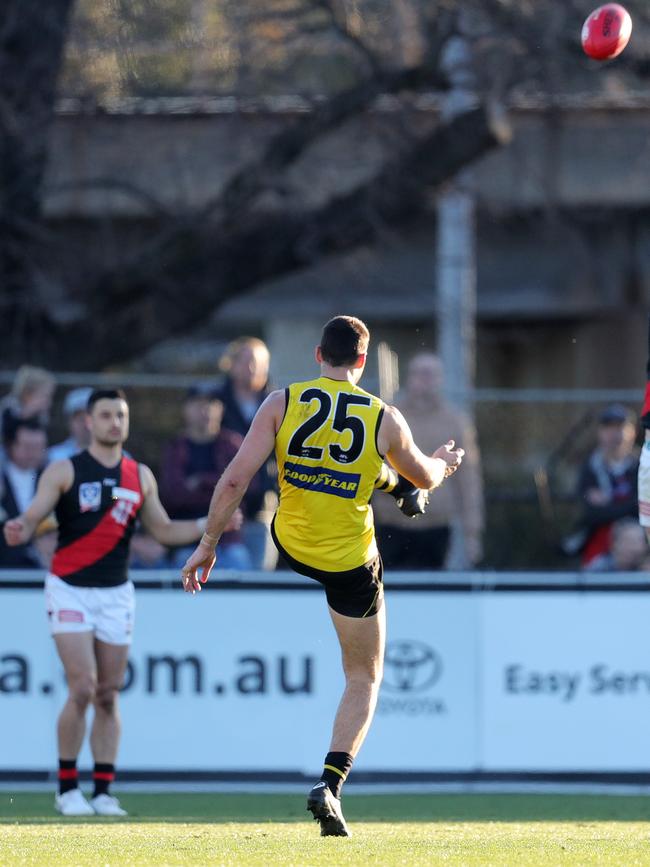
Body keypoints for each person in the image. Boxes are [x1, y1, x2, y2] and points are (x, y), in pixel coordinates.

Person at [180, 316, 464, 837]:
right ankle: (330, 785)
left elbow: (237, 478)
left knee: (353, 473)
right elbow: (429, 476)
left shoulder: (281, 402)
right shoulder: (384, 416)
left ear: (317, 355)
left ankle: (385, 478)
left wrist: (207, 543)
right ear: (362, 362)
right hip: (348, 563)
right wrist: (443, 463)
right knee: (364, 676)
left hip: (290, 542)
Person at [2, 389, 218, 817]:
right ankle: (67, 789)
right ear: (88, 421)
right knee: (81, 687)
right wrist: (21, 526)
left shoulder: (140, 475)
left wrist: (208, 525)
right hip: (69, 588)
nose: (114, 422)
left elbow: (162, 531)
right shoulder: (64, 470)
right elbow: (36, 513)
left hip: (116, 593)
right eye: (105, 415)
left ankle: (102, 790)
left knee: (107, 693)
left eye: (121, 414)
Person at [373, 353, 484, 570]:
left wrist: (473, 532)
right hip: (391, 522)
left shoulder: (455, 421)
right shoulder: (389, 416)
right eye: (420, 373)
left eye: (431, 374)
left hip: (436, 524)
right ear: (409, 377)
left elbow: (469, 478)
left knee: (431, 589)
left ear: (440, 379)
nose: (425, 380)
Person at [159, 383, 248, 570]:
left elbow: (243, 489)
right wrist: (219, 487)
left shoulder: (233, 445)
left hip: (228, 541)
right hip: (186, 543)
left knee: (241, 566)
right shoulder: (175, 448)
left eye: (211, 404)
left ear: (221, 409)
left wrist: (200, 481)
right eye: (198, 404)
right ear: (186, 410)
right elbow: (173, 496)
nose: (205, 410)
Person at [215, 338, 277, 569]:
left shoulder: (279, 403)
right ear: (230, 364)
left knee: (260, 573)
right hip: (223, 504)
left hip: (262, 507)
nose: (251, 367)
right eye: (245, 360)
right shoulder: (216, 403)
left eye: (258, 361)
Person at [572, 404, 639, 567]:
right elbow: (591, 512)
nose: (615, 434)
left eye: (621, 427)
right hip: (598, 544)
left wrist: (608, 504)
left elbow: (641, 508)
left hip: (636, 545)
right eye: (609, 428)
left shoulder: (643, 466)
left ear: (633, 432)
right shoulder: (590, 468)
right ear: (600, 433)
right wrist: (627, 505)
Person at [0, 418, 49, 569]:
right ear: (11, 446)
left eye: (38, 447)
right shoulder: (2, 479)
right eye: (28, 447)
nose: (33, 453)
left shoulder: (51, 480)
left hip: (41, 574)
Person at [0, 366, 56, 464]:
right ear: (27, 394)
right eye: (44, 396)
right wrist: (27, 413)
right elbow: (8, 436)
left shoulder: (40, 416)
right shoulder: (10, 408)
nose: (48, 402)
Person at [584, 518, 648, 571]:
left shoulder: (644, 569)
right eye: (627, 541)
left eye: (637, 542)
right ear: (614, 544)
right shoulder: (599, 568)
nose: (633, 548)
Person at [49, 387, 93, 462]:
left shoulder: (116, 456)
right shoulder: (55, 455)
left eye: (90, 419)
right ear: (69, 422)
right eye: (80, 419)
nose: (85, 425)